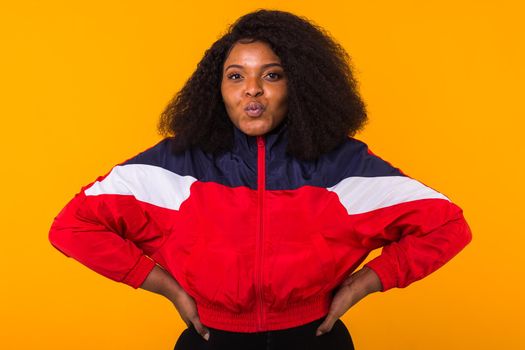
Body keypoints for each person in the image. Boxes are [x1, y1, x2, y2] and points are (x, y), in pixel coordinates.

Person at [48, 9, 472, 350]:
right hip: (210, 341)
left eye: (271, 74)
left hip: (316, 341)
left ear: (300, 85)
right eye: (236, 76)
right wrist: (168, 288)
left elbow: (448, 225)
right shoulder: (173, 164)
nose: (252, 89)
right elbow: (72, 227)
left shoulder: (345, 166)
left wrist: (364, 284)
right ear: (217, 88)